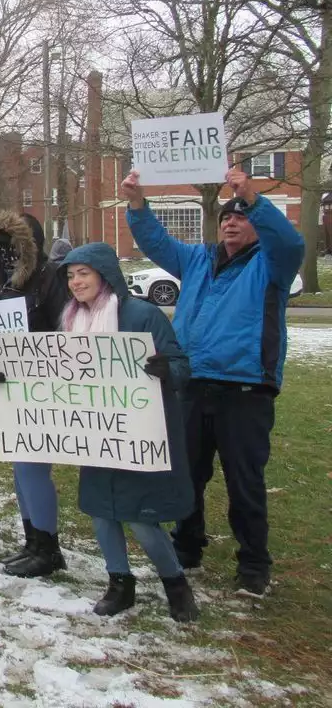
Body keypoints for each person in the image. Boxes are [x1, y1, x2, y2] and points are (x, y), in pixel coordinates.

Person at [122, 168, 303, 598]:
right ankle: (188, 544)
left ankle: (254, 564)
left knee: (244, 480)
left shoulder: (272, 265)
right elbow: (157, 243)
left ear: (257, 224)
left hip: (244, 390)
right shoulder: (198, 259)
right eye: (226, 217)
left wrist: (254, 197)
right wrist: (136, 204)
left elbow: (291, 241)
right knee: (188, 474)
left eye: (241, 217)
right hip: (193, 385)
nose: (231, 222)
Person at [55, 243, 200, 621]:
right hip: (97, 434)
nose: (75, 282)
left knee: (140, 516)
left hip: (138, 434)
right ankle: (120, 583)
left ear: (105, 274)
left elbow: (181, 366)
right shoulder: (71, 320)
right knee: (102, 512)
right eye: (71, 275)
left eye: (83, 273)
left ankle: (175, 583)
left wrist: (166, 369)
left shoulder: (142, 315)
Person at [0, 210, 70, 577]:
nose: (5, 256)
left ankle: (48, 546)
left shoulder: (50, 279)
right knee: (20, 467)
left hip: (42, 386)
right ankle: (33, 540)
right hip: (9, 385)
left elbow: (66, 333)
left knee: (32, 468)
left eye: (12, 249)